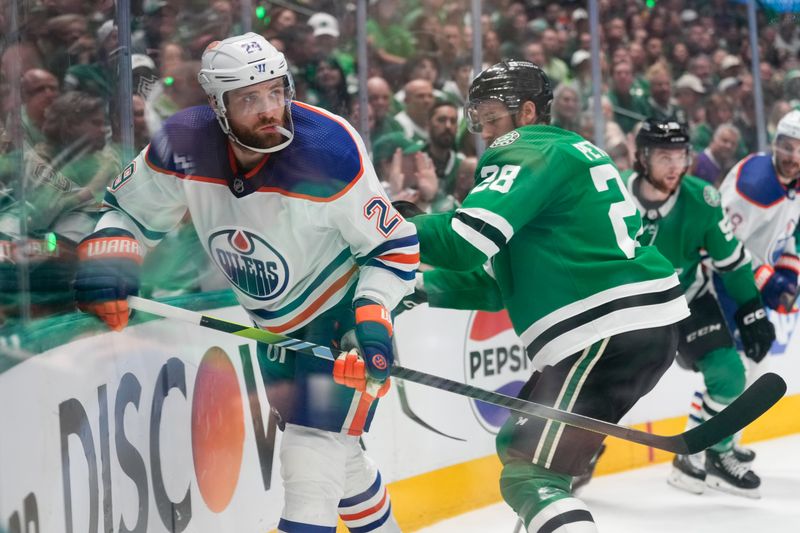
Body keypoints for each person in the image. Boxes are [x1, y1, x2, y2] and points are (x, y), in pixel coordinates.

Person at [72, 33, 417, 533]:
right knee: (339, 461)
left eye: (276, 92)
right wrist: (111, 248)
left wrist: (373, 317)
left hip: (341, 323)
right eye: (249, 99)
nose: (269, 109)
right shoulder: (185, 143)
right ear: (217, 105)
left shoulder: (330, 150)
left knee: (309, 455)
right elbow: (125, 211)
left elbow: (392, 246)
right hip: (273, 330)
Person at [406, 60, 689, 533]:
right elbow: (496, 285)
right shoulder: (570, 155)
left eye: (494, 117)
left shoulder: (526, 148)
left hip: (604, 328)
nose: (487, 132)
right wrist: (416, 288)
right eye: (479, 120)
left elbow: (461, 243)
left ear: (530, 111)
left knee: (529, 472)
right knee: (520, 448)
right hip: (635, 325)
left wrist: (390, 228)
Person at [622, 119, 773, 499]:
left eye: (681, 156)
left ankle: (711, 455)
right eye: (663, 157)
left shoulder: (702, 198)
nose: (675, 166)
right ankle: (579, 457)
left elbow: (733, 262)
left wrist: (751, 308)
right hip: (625, 309)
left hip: (685, 299)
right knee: (604, 389)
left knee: (729, 374)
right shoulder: (611, 194)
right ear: (642, 158)